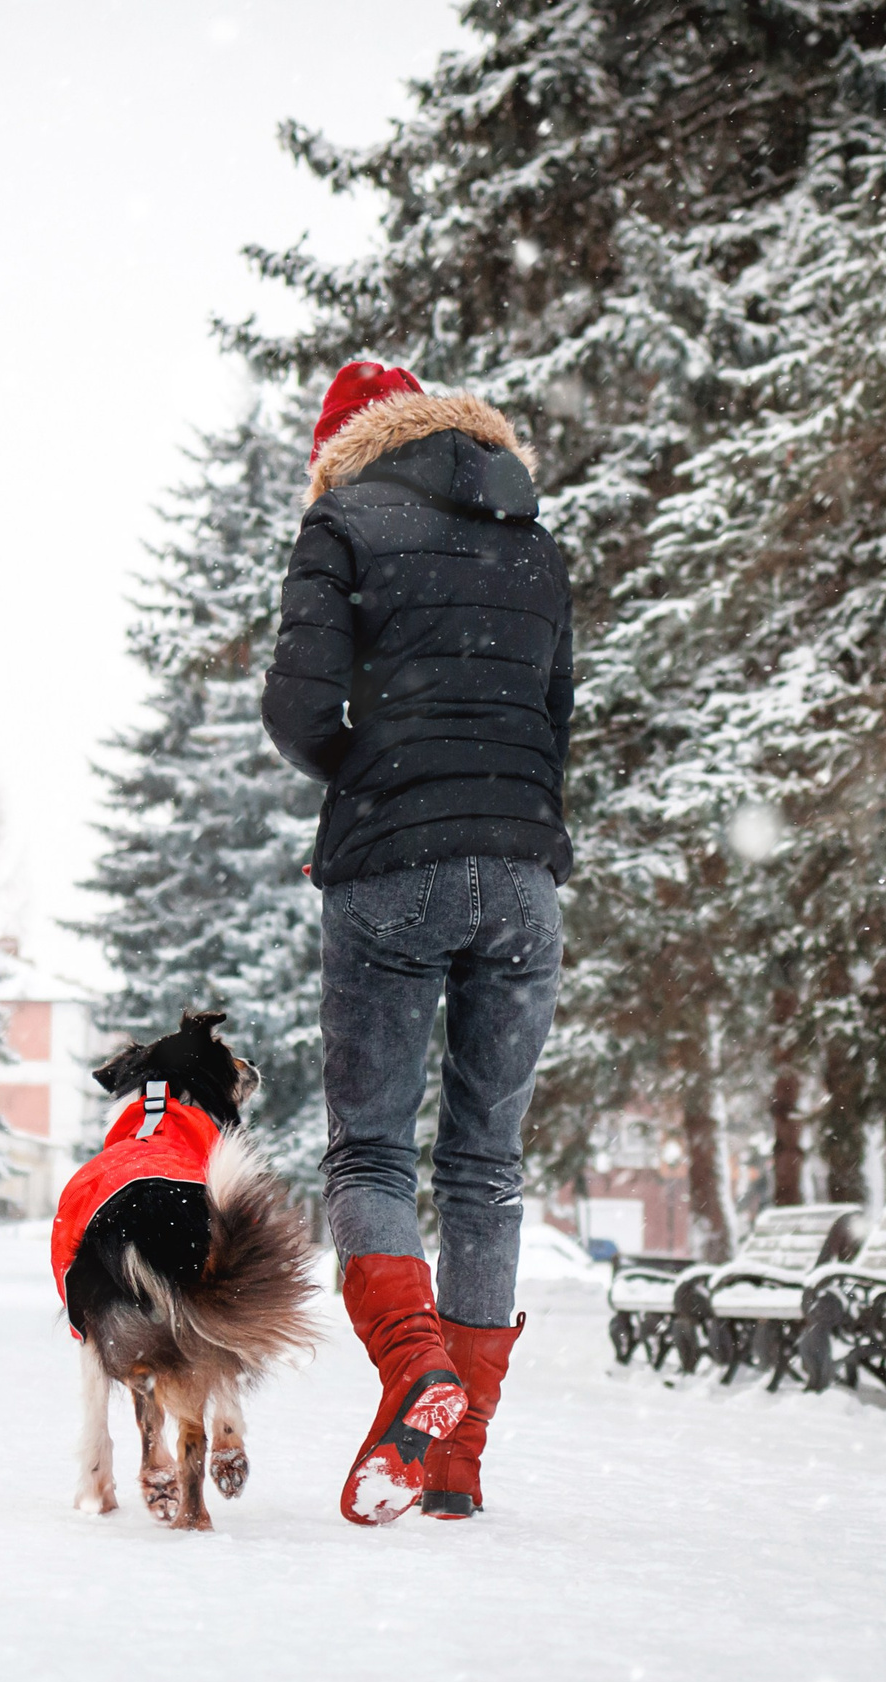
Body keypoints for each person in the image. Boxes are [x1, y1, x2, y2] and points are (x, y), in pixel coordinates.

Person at [262, 360, 572, 1525]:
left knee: (372, 1157)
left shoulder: (340, 524)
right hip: (526, 876)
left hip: (392, 871)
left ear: (344, 447)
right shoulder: (535, 540)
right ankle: (458, 1463)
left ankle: (416, 1370)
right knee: (485, 1167)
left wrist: (385, 784)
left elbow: (297, 710)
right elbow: (553, 724)